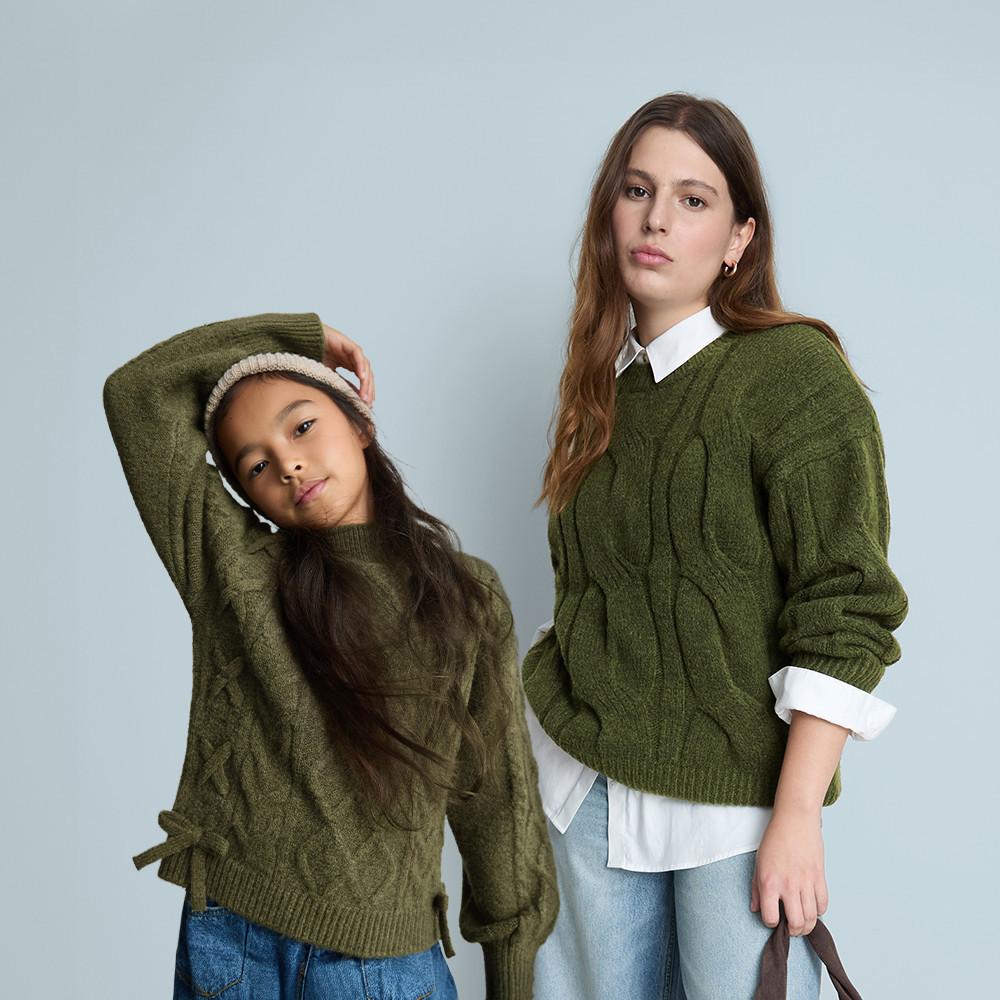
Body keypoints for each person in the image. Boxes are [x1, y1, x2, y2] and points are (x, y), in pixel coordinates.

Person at [519, 92, 910, 998]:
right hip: (583, 795)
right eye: (637, 190)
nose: (657, 218)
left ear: (738, 238)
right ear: (608, 216)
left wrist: (797, 816)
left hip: (734, 812)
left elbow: (846, 609)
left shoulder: (792, 374)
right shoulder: (598, 394)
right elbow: (592, 596)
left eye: (693, 199)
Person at [102, 311, 559, 1000]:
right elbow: (136, 394)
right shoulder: (234, 570)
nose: (286, 461)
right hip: (235, 939)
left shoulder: (468, 597)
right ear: (246, 494)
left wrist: (512, 977)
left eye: (303, 425)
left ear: (361, 423)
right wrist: (298, 337)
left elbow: (493, 797)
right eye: (254, 464)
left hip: (385, 962)